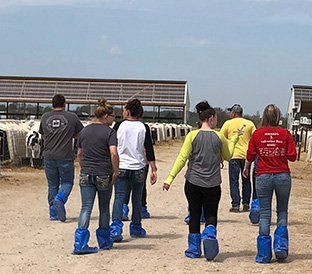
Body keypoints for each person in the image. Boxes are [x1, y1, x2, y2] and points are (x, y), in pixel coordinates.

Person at [163, 100, 240, 261]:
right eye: (216, 118)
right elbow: (228, 156)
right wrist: (233, 141)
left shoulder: (192, 135)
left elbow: (182, 159)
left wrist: (170, 178)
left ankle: (194, 249)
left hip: (192, 182)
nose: (217, 121)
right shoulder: (219, 137)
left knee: (195, 214)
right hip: (212, 183)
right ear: (211, 118)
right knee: (211, 213)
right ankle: (210, 233)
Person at [243, 104, 297, 264]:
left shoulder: (257, 134)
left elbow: (251, 155)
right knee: (282, 210)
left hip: (263, 175)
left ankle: (264, 254)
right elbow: (292, 157)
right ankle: (280, 247)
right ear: (279, 117)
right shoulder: (285, 134)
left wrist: (246, 167)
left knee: (265, 213)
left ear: (264, 117)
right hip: (282, 175)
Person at [72, 98, 119, 254]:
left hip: (86, 172)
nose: (114, 120)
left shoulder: (85, 130)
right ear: (106, 116)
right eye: (113, 116)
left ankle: (80, 244)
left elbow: (79, 153)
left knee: (86, 207)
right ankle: (104, 241)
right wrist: (116, 171)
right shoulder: (110, 132)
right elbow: (113, 153)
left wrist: (83, 166)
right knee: (104, 207)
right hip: (103, 173)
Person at [109, 99, 157, 242]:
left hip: (122, 166)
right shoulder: (143, 127)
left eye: (124, 110)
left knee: (119, 198)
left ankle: (116, 228)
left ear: (128, 111)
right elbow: (149, 149)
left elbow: (112, 146)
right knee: (137, 199)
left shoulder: (118, 125)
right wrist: (153, 168)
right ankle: (136, 227)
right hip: (139, 167)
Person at [39, 94, 84, 222]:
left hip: (48, 155)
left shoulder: (45, 117)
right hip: (65, 155)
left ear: (52, 104)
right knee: (67, 182)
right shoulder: (72, 117)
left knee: (52, 184)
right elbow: (80, 134)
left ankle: (53, 212)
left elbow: (43, 135)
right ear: (64, 104)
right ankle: (60, 199)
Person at [220, 104, 256, 212]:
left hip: (233, 155)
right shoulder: (250, 124)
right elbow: (255, 138)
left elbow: (221, 138)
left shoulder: (227, 124)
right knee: (246, 180)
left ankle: (235, 204)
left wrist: (221, 155)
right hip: (246, 157)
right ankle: (246, 203)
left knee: (233, 180)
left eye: (231, 112)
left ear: (234, 113)